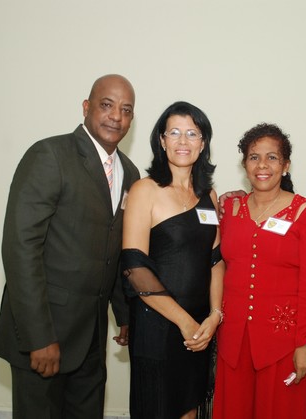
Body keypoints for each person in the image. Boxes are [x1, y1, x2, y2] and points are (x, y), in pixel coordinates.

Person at [0, 74, 140, 419]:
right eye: (107, 105)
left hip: (92, 337)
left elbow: (115, 251)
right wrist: (38, 337)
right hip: (45, 333)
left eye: (126, 110)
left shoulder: (130, 173)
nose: (116, 116)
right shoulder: (50, 155)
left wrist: (124, 314)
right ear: (87, 107)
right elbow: (21, 248)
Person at [213, 123, 306, 419]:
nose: (262, 165)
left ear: (286, 165)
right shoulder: (230, 210)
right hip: (233, 344)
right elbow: (216, 266)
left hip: (283, 345)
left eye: (272, 157)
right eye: (254, 157)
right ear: (244, 165)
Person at [121, 101, 224, 419]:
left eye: (192, 133)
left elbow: (216, 260)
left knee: (189, 409)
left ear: (203, 143)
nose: (183, 141)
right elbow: (135, 268)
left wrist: (215, 315)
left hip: (199, 327)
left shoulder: (209, 196)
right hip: (158, 324)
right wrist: (184, 321)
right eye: (174, 132)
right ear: (162, 140)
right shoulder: (144, 190)